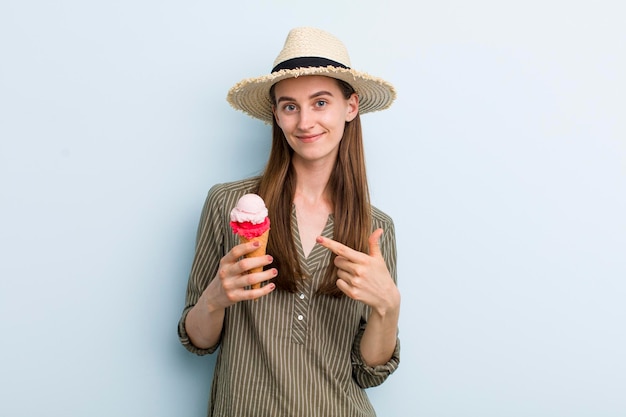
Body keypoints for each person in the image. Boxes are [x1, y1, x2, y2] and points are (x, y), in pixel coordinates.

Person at [178, 27, 401, 417]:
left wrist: (389, 308)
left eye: (320, 102)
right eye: (289, 106)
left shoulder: (375, 227)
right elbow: (199, 341)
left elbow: (368, 372)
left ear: (350, 107)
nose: (304, 122)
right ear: (276, 116)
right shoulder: (228, 204)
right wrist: (215, 298)